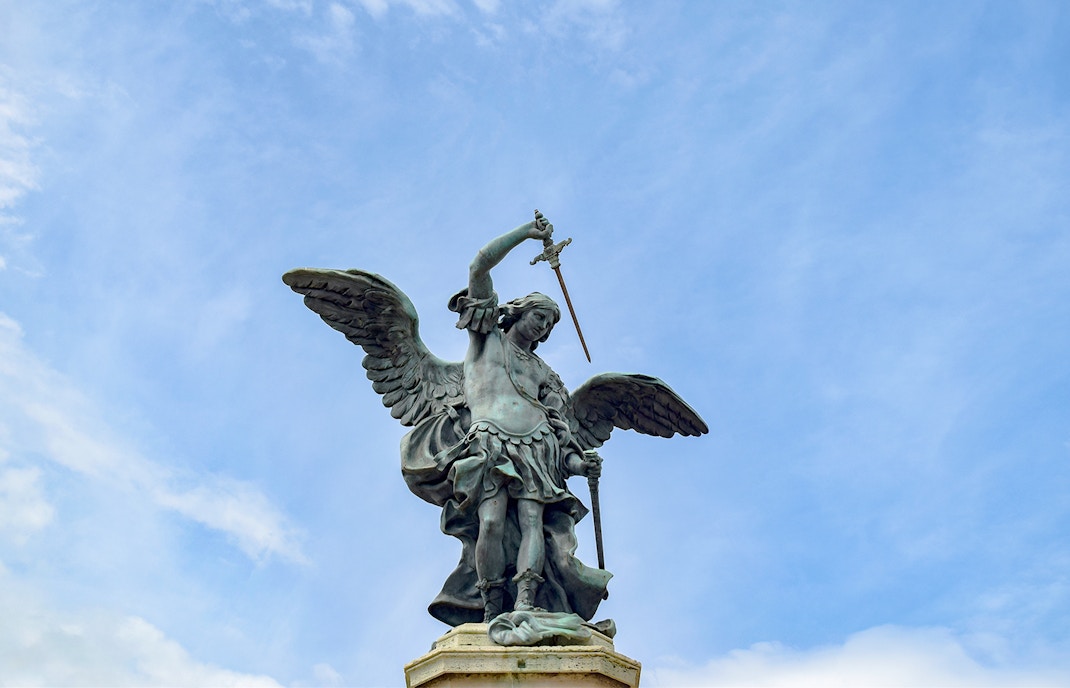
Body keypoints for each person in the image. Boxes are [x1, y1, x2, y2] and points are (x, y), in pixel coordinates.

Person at [401, 213, 610, 625]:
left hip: (536, 448)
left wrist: (578, 463)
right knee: (491, 522)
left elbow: (560, 434)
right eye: (540, 317)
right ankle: (491, 601)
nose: (544, 328)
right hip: (488, 442)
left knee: (533, 521)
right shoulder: (485, 338)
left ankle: (528, 599)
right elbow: (478, 265)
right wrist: (527, 234)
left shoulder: (543, 373)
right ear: (520, 312)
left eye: (550, 324)